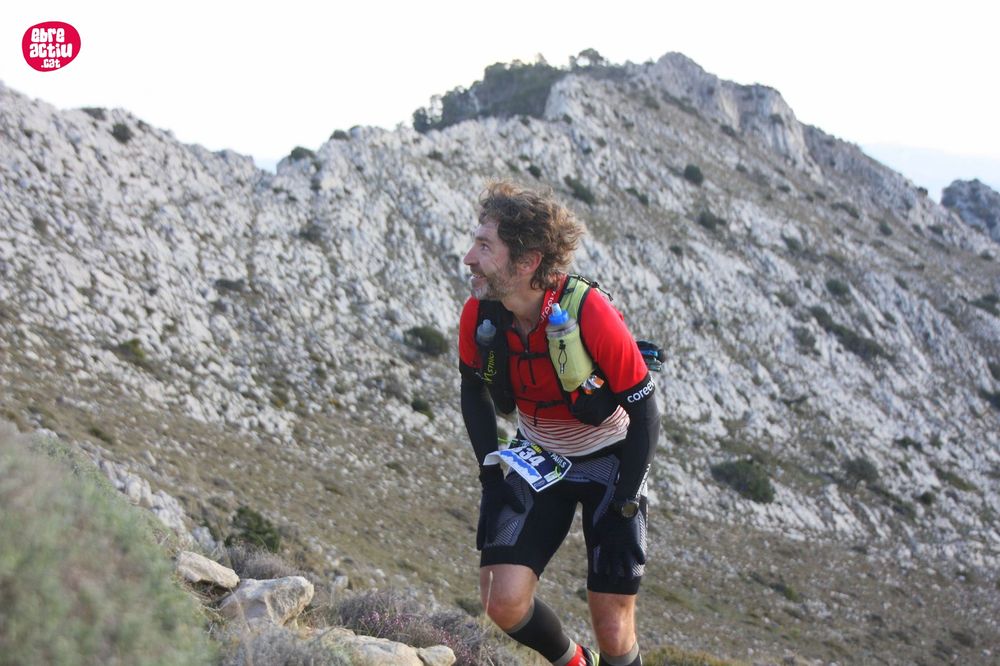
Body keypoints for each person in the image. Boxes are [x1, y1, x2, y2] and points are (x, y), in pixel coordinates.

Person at [458, 180, 660, 666]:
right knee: (500, 598)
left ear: (528, 261)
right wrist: (490, 478)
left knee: (613, 626)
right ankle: (574, 662)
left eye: (485, 247)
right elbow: (473, 389)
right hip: (540, 456)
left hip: (610, 461)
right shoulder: (481, 315)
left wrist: (626, 504)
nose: (469, 258)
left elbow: (645, 412)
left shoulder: (589, 310)